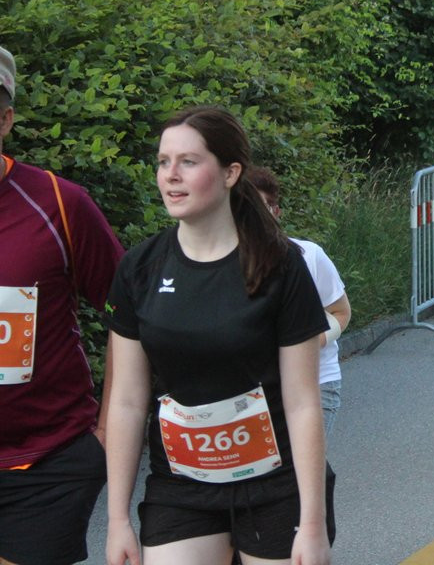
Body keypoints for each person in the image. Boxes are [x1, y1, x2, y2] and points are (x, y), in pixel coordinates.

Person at [104, 106, 333, 565]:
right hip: (180, 486)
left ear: (230, 173)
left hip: (274, 484)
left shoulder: (281, 266)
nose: (171, 176)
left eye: (188, 162)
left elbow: (303, 401)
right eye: (163, 162)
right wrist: (117, 522)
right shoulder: (140, 269)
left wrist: (311, 525)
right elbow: (127, 401)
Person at [0, 46, 125, 565]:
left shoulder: (58, 202)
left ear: (5, 119)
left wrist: (107, 432)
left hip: (46, 462)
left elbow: (127, 312)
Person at [248, 166, 352, 437]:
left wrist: (307, 342)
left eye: (263, 209)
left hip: (316, 383)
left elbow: (341, 312)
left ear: (276, 212)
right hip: (252, 395)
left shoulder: (309, 256)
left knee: (300, 473)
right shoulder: (219, 266)